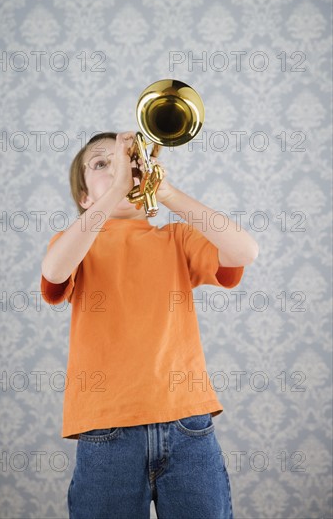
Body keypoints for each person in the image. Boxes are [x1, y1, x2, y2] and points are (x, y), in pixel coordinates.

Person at [40, 131, 259, 519]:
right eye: (102, 164)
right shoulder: (77, 242)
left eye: (130, 160)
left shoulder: (176, 238)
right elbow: (55, 269)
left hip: (187, 425)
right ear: (84, 198)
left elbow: (245, 250)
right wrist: (116, 193)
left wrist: (168, 190)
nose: (122, 167)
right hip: (105, 430)